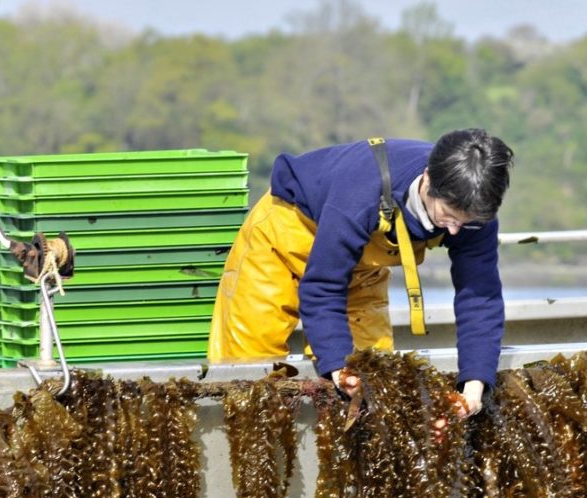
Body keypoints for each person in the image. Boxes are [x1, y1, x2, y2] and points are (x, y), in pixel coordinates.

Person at [207, 128, 514, 417]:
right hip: (282, 241)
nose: (456, 230)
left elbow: (480, 298)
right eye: (447, 218)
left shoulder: (475, 211)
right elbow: (322, 288)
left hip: (360, 267)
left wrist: (474, 386)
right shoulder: (360, 189)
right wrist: (339, 367)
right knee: (248, 366)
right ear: (427, 179)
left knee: (374, 375)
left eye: (467, 223)